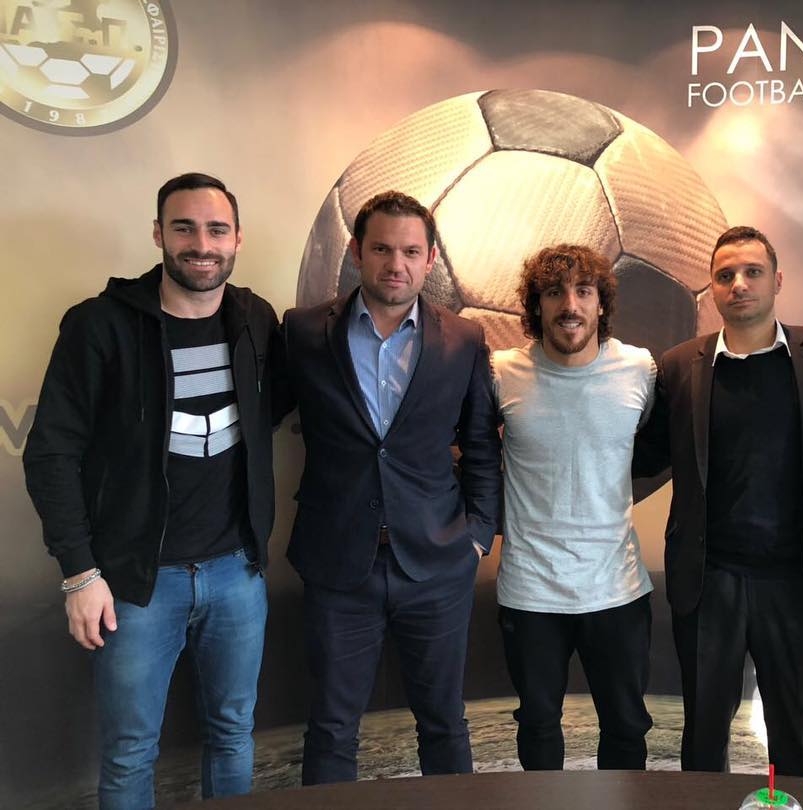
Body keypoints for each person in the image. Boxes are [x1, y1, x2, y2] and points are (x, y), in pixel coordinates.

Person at [23, 172, 286, 808]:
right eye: (184, 228)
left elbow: (269, 413)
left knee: (233, 735)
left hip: (236, 575)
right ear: (158, 234)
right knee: (130, 752)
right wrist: (80, 574)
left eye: (217, 229)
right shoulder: (99, 326)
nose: (202, 244)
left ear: (238, 238)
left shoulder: (255, 318)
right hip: (136, 584)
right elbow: (51, 453)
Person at [282, 190, 501, 783]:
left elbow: (482, 446)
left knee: (444, 723)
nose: (395, 264)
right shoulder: (302, 331)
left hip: (437, 564)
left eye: (409, 252)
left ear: (430, 259)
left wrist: (478, 535)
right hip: (337, 563)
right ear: (357, 252)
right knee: (331, 728)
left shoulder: (464, 339)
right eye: (381, 249)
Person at [634, 225, 803, 775]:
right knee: (705, 732)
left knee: (793, 731)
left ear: (777, 280)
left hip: (797, 580)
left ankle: (791, 804)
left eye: (753, 272)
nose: (739, 284)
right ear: (711, 287)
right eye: (725, 275)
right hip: (709, 580)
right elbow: (640, 456)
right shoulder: (679, 365)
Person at [493, 244, 656, 771]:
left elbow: (649, 446)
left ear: (601, 303)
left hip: (617, 587)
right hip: (531, 590)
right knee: (538, 724)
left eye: (584, 291)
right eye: (554, 292)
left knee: (626, 726)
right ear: (535, 305)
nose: (570, 305)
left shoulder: (639, 369)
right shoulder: (501, 373)